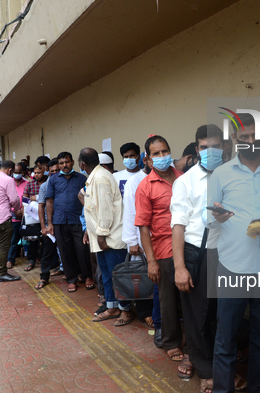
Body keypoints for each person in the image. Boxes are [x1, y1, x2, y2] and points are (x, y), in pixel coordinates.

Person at [209, 113, 260, 393]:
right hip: (232, 266)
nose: (251, 142)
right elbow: (206, 216)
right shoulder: (221, 174)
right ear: (234, 140)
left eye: (256, 137)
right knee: (226, 338)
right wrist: (217, 216)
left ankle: (258, 388)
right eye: (245, 138)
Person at [171, 125, 225, 391]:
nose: (210, 151)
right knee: (198, 316)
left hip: (228, 254)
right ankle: (206, 370)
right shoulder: (185, 181)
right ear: (197, 149)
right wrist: (180, 267)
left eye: (216, 146)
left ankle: (221, 363)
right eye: (205, 147)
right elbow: (178, 226)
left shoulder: (233, 176)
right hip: (197, 254)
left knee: (222, 314)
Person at [135, 135, 184, 362]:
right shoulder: (146, 187)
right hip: (164, 250)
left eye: (165, 151)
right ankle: (171, 342)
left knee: (192, 300)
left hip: (189, 247)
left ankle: (194, 340)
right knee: (168, 300)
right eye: (157, 153)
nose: (163, 156)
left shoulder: (184, 178)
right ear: (148, 159)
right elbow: (144, 227)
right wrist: (151, 261)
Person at [77, 148, 134, 325]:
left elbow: (105, 210)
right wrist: (90, 230)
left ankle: (126, 310)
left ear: (82, 164)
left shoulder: (100, 178)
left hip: (109, 237)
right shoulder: (94, 177)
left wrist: (101, 235)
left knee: (117, 275)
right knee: (108, 275)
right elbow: (92, 207)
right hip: (100, 236)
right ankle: (112, 307)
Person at [122, 149, 162, 347]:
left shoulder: (168, 177)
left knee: (157, 280)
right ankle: (146, 313)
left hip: (162, 238)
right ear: (145, 160)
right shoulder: (135, 181)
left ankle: (158, 314)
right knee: (145, 277)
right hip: (141, 237)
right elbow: (130, 211)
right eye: (154, 156)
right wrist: (131, 241)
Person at [46, 151, 93, 292]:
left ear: (72, 162)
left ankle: (87, 276)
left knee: (82, 250)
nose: (64, 165)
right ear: (58, 165)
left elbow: (88, 199)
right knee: (65, 252)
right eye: (61, 163)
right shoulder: (53, 180)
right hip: (59, 221)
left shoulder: (81, 178)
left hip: (78, 220)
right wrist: (50, 224)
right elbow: (49, 201)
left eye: (67, 162)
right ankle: (71, 279)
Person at [34, 159, 62, 289]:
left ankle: (72, 274)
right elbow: (41, 207)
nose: (55, 173)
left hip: (64, 223)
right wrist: (43, 227)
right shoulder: (45, 186)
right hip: (49, 226)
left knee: (67, 251)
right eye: (52, 171)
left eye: (57, 170)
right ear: (48, 172)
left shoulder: (65, 183)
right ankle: (44, 277)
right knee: (47, 252)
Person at [22, 161, 49, 271]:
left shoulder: (48, 182)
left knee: (45, 238)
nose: (37, 175)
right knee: (33, 239)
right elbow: (24, 198)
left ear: (44, 172)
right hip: (33, 215)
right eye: (35, 173)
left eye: (39, 172)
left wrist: (37, 197)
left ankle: (44, 260)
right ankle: (31, 260)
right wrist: (31, 201)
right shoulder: (30, 184)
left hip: (46, 214)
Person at [6, 162, 29, 269]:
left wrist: (23, 211)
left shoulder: (28, 183)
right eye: (15, 172)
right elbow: (5, 200)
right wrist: (14, 210)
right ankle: (10, 259)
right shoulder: (8, 183)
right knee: (13, 240)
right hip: (13, 216)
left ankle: (32, 258)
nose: (17, 174)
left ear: (23, 172)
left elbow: (29, 198)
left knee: (30, 238)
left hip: (27, 216)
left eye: (19, 172)